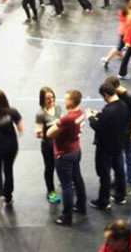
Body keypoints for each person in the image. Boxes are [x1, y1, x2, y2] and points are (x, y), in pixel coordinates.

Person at [47, 89, 88, 226]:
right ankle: (81, 206)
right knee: (77, 179)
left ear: (71, 101)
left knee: (66, 185)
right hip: (76, 150)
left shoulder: (67, 118)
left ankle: (67, 217)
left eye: (66, 99)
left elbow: (49, 133)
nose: (63, 101)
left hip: (64, 154)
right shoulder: (81, 112)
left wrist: (56, 123)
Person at [88, 82, 129, 210]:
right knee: (119, 171)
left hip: (105, 147)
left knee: (104, 174)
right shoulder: (123, 105)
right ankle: (120, 196)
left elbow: (98, 127)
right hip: (118, 144)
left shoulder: (108, 110)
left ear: (105, 94)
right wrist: (100, 114)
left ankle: (103, 201)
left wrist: (91, 118)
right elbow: (112, 120)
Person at [105, 75, 131, 196]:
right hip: (119, 130)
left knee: (129, 154)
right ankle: (119, 179)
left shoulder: (128, 96)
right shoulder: (116, 94)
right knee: (118, 155)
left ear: (116, 86)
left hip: (127, 130)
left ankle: (130, 181)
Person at [35, 86, 62, 203]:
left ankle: (65, 182)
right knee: (50, 168)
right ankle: (51, 191)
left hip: (61, 144)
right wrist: (39, 132)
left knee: (61, 166)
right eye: (48, 99)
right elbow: (38, 128)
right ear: (42, 100)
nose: (51, 100)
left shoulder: (58, 108)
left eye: (52, 97)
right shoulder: (40, 114)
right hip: (48, 147)